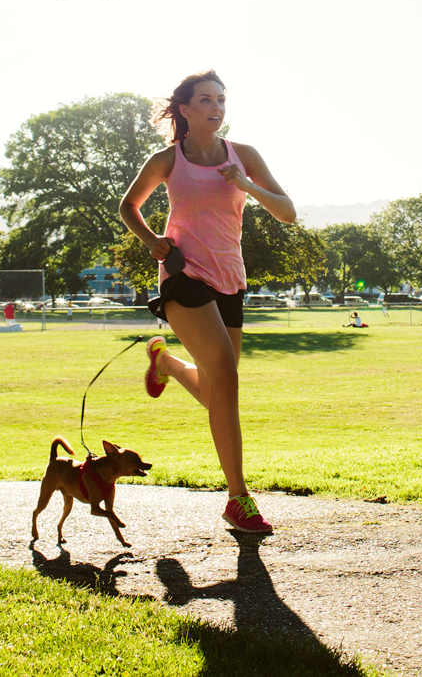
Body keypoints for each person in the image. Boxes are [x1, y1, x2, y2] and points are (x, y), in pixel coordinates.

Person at [119, 70, 296, 533]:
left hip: (230, 278)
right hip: (184, 274)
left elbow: (288, 212)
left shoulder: (244, 156)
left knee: (219, 387)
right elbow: (128, 206)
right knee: (227, 378)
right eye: (205, 100)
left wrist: (246, 184)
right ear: (185, 109)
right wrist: (152, 240)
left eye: (221, 99)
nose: (216, 107)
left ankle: (168, 365)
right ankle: (238, 497)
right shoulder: (167, 160)